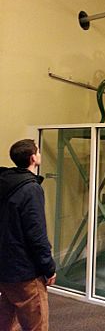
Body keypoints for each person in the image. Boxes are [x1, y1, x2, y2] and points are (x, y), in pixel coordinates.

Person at [0, 139, 56, 331]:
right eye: (38, 151)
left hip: (4, 267)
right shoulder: (30, 189)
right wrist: (48, 267)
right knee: (36, 324)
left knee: (6, 318)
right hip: (25, 271)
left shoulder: (4, 183)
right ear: (34, 158)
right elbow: (36, 233)